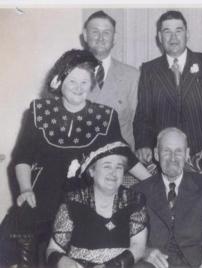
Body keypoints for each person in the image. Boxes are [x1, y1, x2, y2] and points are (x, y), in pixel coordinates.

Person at [12, 49, 149, 267]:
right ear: (59, 81)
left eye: (84, 82)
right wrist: (25, 188)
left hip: (84, 198)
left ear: (92, 84)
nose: (78, 88)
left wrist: (154, 182)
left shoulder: (105, 116)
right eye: (72, 81)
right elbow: (22, 156)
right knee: (15, 231)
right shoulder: (39, 111)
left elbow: (126, 157)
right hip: (42, 195)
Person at [133, 10, 202, 168]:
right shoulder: (149, 70)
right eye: (167, 31)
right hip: (164, 159)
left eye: (179, 30)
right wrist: (143, 145)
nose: (173, 37)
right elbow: (143, 115)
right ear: (159, 37)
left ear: (187, 34)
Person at [134, 128, 202, 268]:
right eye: (166, 151)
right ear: (156, 154)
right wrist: (144, 251)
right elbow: (124, 235)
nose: (172, 158)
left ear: (187, 154)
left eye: (178, 151)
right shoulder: (140, 191)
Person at [46, 141, 147, 267]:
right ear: (92, 171)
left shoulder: (134, 200)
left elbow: (139, 248)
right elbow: (53, 250)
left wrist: (109, 266)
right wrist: (64, 262)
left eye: (119, 167)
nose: (113, 173)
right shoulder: (72, 201)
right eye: (107, 166)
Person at [83, 10, 140, 152]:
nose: (101, 38)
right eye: (95, 32)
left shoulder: (132, 76)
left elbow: (138, 123)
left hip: (121, 161)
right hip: (81, 158)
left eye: (106, 32)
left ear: (114, 38)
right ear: (85, 35)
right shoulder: (71, 73)